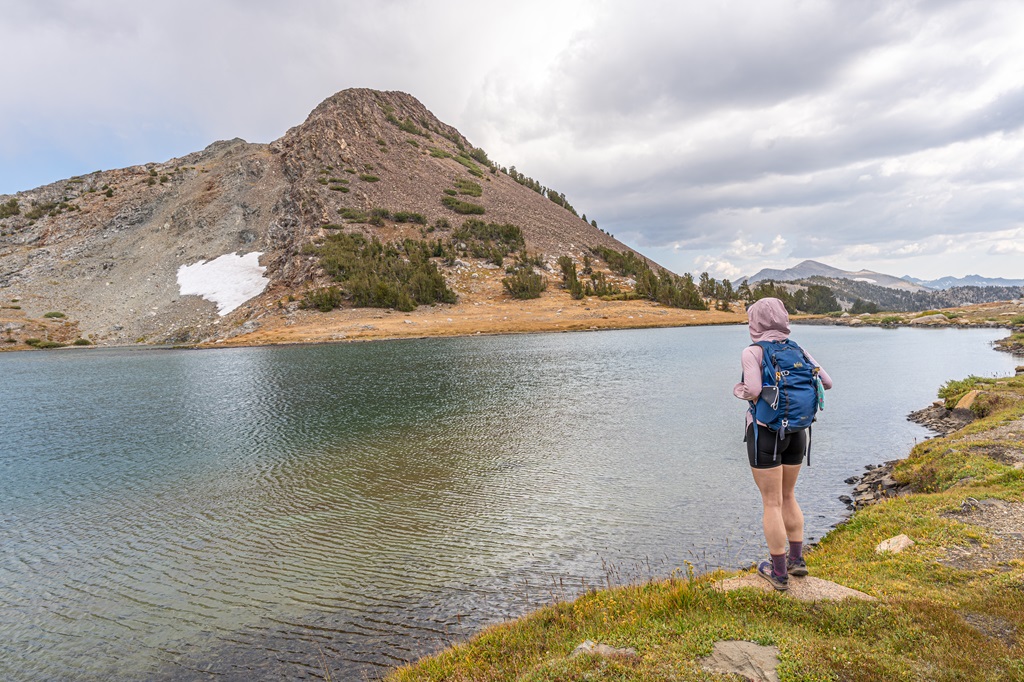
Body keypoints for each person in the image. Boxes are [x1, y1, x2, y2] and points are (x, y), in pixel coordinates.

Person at [733, 297, 833, 591]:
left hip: (766, 433)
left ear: (756, 322)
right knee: (788, 495)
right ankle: (797, 560)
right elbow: (826, 382)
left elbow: (752, 389)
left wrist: (740, 391)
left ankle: (777, 573)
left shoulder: (753, 352)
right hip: (798, 432)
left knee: (771, 502)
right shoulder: (798, 349)